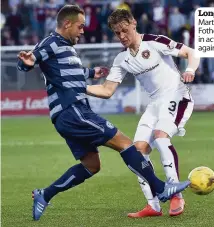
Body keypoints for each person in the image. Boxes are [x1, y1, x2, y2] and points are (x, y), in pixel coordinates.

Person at [17, 5, 190, 221]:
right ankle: (162, 188)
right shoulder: (51, 42)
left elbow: (67, 72)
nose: (83, 31)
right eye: (80, 26)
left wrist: (92, 73)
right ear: (67, 24)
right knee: (125, 143)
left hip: (66, 115)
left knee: (91, 165)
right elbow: (30, 60)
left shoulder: (64, 47)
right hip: (73, 111)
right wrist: (26, 63)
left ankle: (45, 194)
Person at [86, 9, 200, 218]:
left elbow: (191, 52)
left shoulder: (155, 42)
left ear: (133, 23)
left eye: (124, 30)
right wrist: (78, 88)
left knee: (160, 136)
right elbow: (106, 90)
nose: (121, 36)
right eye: (117, 33)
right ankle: (153, 206)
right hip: (155, 104)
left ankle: (176, 195)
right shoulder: (121, 59)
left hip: (177, 96)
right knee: (137, 151)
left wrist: (190, 70)